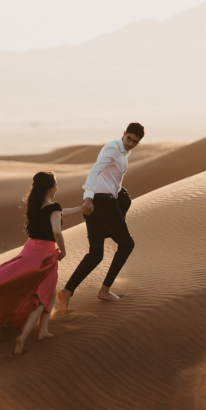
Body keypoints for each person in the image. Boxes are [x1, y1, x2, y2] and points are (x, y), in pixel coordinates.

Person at [0, 171, 83, 355]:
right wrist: (63, 251)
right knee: (43, 295)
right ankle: (25, 336)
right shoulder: (53, 208)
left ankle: (43, 330)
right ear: (50, 188)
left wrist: (81, 208)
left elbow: (58, 213)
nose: (57, 188)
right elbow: (57, 230)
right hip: (46, 255)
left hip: (30, 251)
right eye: (55, 185)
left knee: (43, 292)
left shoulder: (34, 206)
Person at [58, 122, 144, 312]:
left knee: (96, 254)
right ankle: (105, 290)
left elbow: (110, 178)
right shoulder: (114, 147)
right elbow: (95, 171)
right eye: (129, 138)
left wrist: (120, 192)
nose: (130, 143)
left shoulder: (124, 152)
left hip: (101, 202)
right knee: (127, 244)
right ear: (124, 134)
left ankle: (66, 292)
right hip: (101, 203)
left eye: (135, 142)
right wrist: (87, 198)